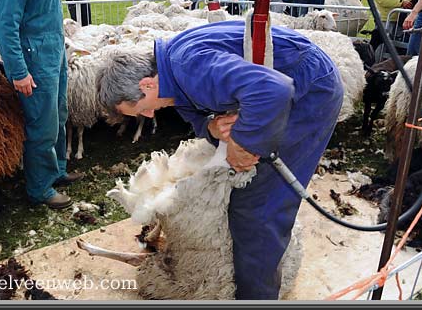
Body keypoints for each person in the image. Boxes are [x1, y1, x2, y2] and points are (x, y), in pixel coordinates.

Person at [96, 20, 344, 300]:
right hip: (290, 83)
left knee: (257, 207)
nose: (151, 115)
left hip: (309, 90)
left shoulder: (190, 66)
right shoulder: (173, 73)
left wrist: (243, 142)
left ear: (147, 84)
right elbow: (198, 114)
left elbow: (273, 89)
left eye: (142, 109)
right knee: (245, 191)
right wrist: (212, 125)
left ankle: (257, 298)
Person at [0, 0, 84, 210]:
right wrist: (18, 71)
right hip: (34, 61)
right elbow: (5, 23)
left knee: (58, 114)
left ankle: (56, 170)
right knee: (41, 124)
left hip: (53, 56)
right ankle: (39, 187)